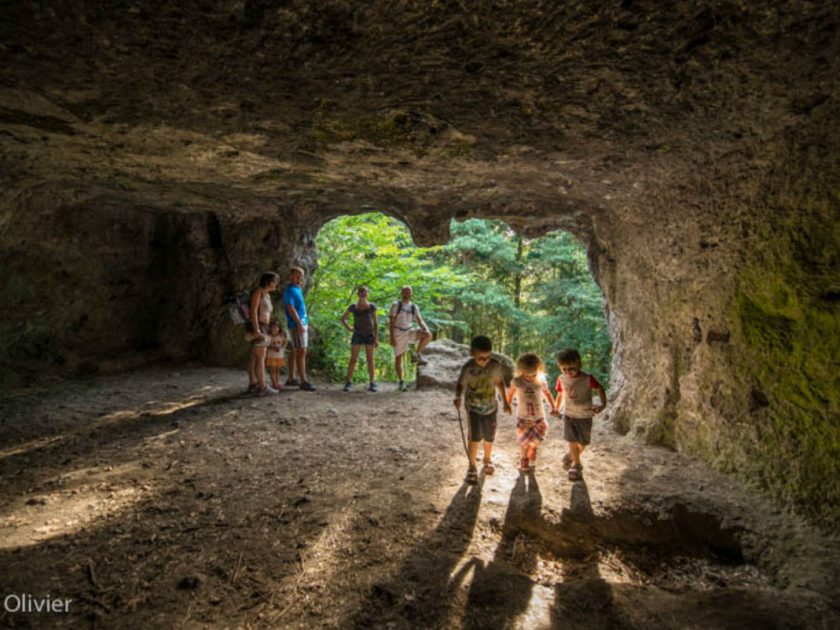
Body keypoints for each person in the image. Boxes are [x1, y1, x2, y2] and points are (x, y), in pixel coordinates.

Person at [454, 335, 511, 484]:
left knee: (489, 436)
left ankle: (487, 459)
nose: (485, 361)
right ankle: (471, 466)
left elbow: (499, 382)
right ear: (472, 353)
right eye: (481, 358)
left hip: (491, 407)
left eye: (487, 357)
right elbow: (461, 384)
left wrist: (505, 401)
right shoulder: (468, 368)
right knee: (474, 438)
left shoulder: (495, 366)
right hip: (473, 407)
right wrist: (458, 397)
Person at [554, 348, 607, 481]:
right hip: (569, 415)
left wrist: (603, 404)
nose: (568, 372)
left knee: (583, 443)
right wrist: (556, 408)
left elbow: (600, 388)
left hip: (585, 416)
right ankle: (576, 465)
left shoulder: (587, 379)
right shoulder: (561, 379)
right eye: (564, 369)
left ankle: (572, 456)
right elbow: (560, 394)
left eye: (571, 368)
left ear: (579, 364)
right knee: (571, 440)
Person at [506, 353, 554, 472]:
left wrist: (553, 406)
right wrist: (508, 404)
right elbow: (511, 393)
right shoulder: (517, 381)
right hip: (523, 416)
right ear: (521, 371)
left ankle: (532, 448)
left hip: (539, 416)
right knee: (524, 441)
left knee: (538, 438)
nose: (531, 377)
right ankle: (524, 461)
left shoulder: (541, 380)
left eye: (534, 374)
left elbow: (547, 393)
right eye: (527, 375)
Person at [389, 285, 431, 391]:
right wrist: (392, 337)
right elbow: (391, 322)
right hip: (398, 332)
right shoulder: (396, 305)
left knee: (427, 335)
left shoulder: (414, 307)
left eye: (409, 292)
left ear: (411, 294)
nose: (407, 294)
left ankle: (416, 355)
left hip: (409, 331)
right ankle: (401, 381)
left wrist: (425, 328)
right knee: (399, 358)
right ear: (402, 293)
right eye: (405, 292)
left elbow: (419, 320)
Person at [340, 286, 380, 392]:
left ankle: (372, 382)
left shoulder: (371, 306)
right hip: (357, 334)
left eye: (365, 292)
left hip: (369, 335)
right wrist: (349, 328)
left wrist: (376, 338)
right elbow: (343, 318)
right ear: (358, 294)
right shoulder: (353, 306)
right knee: (353, 359)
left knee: (370, 359)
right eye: (361, 292)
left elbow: (375, 323)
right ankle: (348, 382)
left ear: (367, 294)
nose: (363, 294)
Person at [282, 266, 316, 391]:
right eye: (296, 275)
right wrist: (299, 324)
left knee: (296, 351)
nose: (299, 277)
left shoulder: (297, 289)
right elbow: (290, 308)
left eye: (301, 275)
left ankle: (291, 378)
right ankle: (304, 381)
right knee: (302, 351)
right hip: (296, 325)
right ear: (291, 276)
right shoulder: (289, 290)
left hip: (301, 322)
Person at [247, 271, 280, 396]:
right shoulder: (258, 292)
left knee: (255, 357)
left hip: (264, 327)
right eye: (275, 281)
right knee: (260, 357)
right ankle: (262, 387)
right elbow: (253, 311)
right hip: (258, 326)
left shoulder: (267, 295)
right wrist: (256, 329)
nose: (276, 284)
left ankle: (253, 384)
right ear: (269, 281)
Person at [265, 322, 288, 391]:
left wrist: (282, 347)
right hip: (271, 356)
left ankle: (277, 382)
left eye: (276, 327)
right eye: (273, 327)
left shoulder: (281, 336)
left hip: (279, 356)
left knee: (277, 370)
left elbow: (285, 342)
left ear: (279, 328)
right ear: (270, 328)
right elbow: (266, 346)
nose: (274, 329)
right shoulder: (269, 336)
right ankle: (274, 383)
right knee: (273, 370)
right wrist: (273, 348)